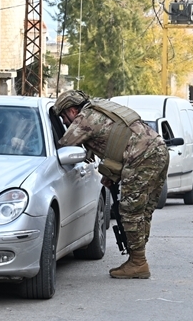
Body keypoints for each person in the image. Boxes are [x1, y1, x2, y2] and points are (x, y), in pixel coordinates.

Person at [54, 90, 169, 279]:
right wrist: (113, 174)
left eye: (63, 117)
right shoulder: (100, 109)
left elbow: (63, 146)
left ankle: (138, 263)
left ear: (72, 111)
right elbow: (118, 139)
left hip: (142, 157)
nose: (65, 122)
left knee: (130, 211)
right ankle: (138, 260)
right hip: (158, 150)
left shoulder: (84, 119)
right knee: (143, 211)